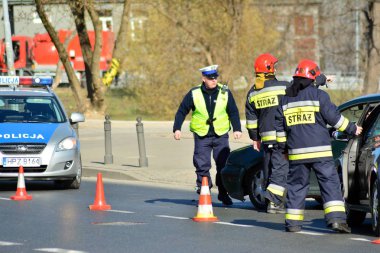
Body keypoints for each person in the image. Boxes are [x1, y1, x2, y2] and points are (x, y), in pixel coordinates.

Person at [275, 59, 363, 233]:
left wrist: (284, 149)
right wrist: (353, 128)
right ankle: (337, 220)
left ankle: (292, 223)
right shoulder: (319, 96)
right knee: (329, 184)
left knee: (297, 187)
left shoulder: (285, 99)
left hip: (296, 153)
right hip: (320, 151)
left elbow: (280, 129)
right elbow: (335, 119)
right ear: (313, 77)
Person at [173, 65, 242, 205]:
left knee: (223, 166)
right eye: (210, 78)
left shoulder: (225, 92)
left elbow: (233, 111)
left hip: (220, 134)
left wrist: (237, 129)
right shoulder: (194, 93)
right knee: (202, 165)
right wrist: (177, 128)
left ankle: (223, 194)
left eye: (215, 77)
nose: (214, 80)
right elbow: (182, 110)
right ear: (203, 78)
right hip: (201, 135)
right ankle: (205, 193)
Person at [245, 53, 289, 213]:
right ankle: (275, 203)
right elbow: (302, 95)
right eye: (274, 65)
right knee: (281, 169)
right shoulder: (284, 87)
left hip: (265, 139)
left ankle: (271, 201)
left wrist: (255, 138)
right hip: (282, 137)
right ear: (270, 69)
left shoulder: (253, 93)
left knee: (269, 169)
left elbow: (251, 119)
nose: (276, 68)